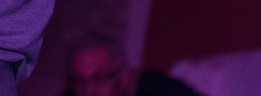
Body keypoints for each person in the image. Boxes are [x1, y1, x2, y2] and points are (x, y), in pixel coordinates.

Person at [60, 37, 201, 96]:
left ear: (125, 75)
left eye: (99, 78)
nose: (88, 90)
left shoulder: (159, 89)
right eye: (79, 81)